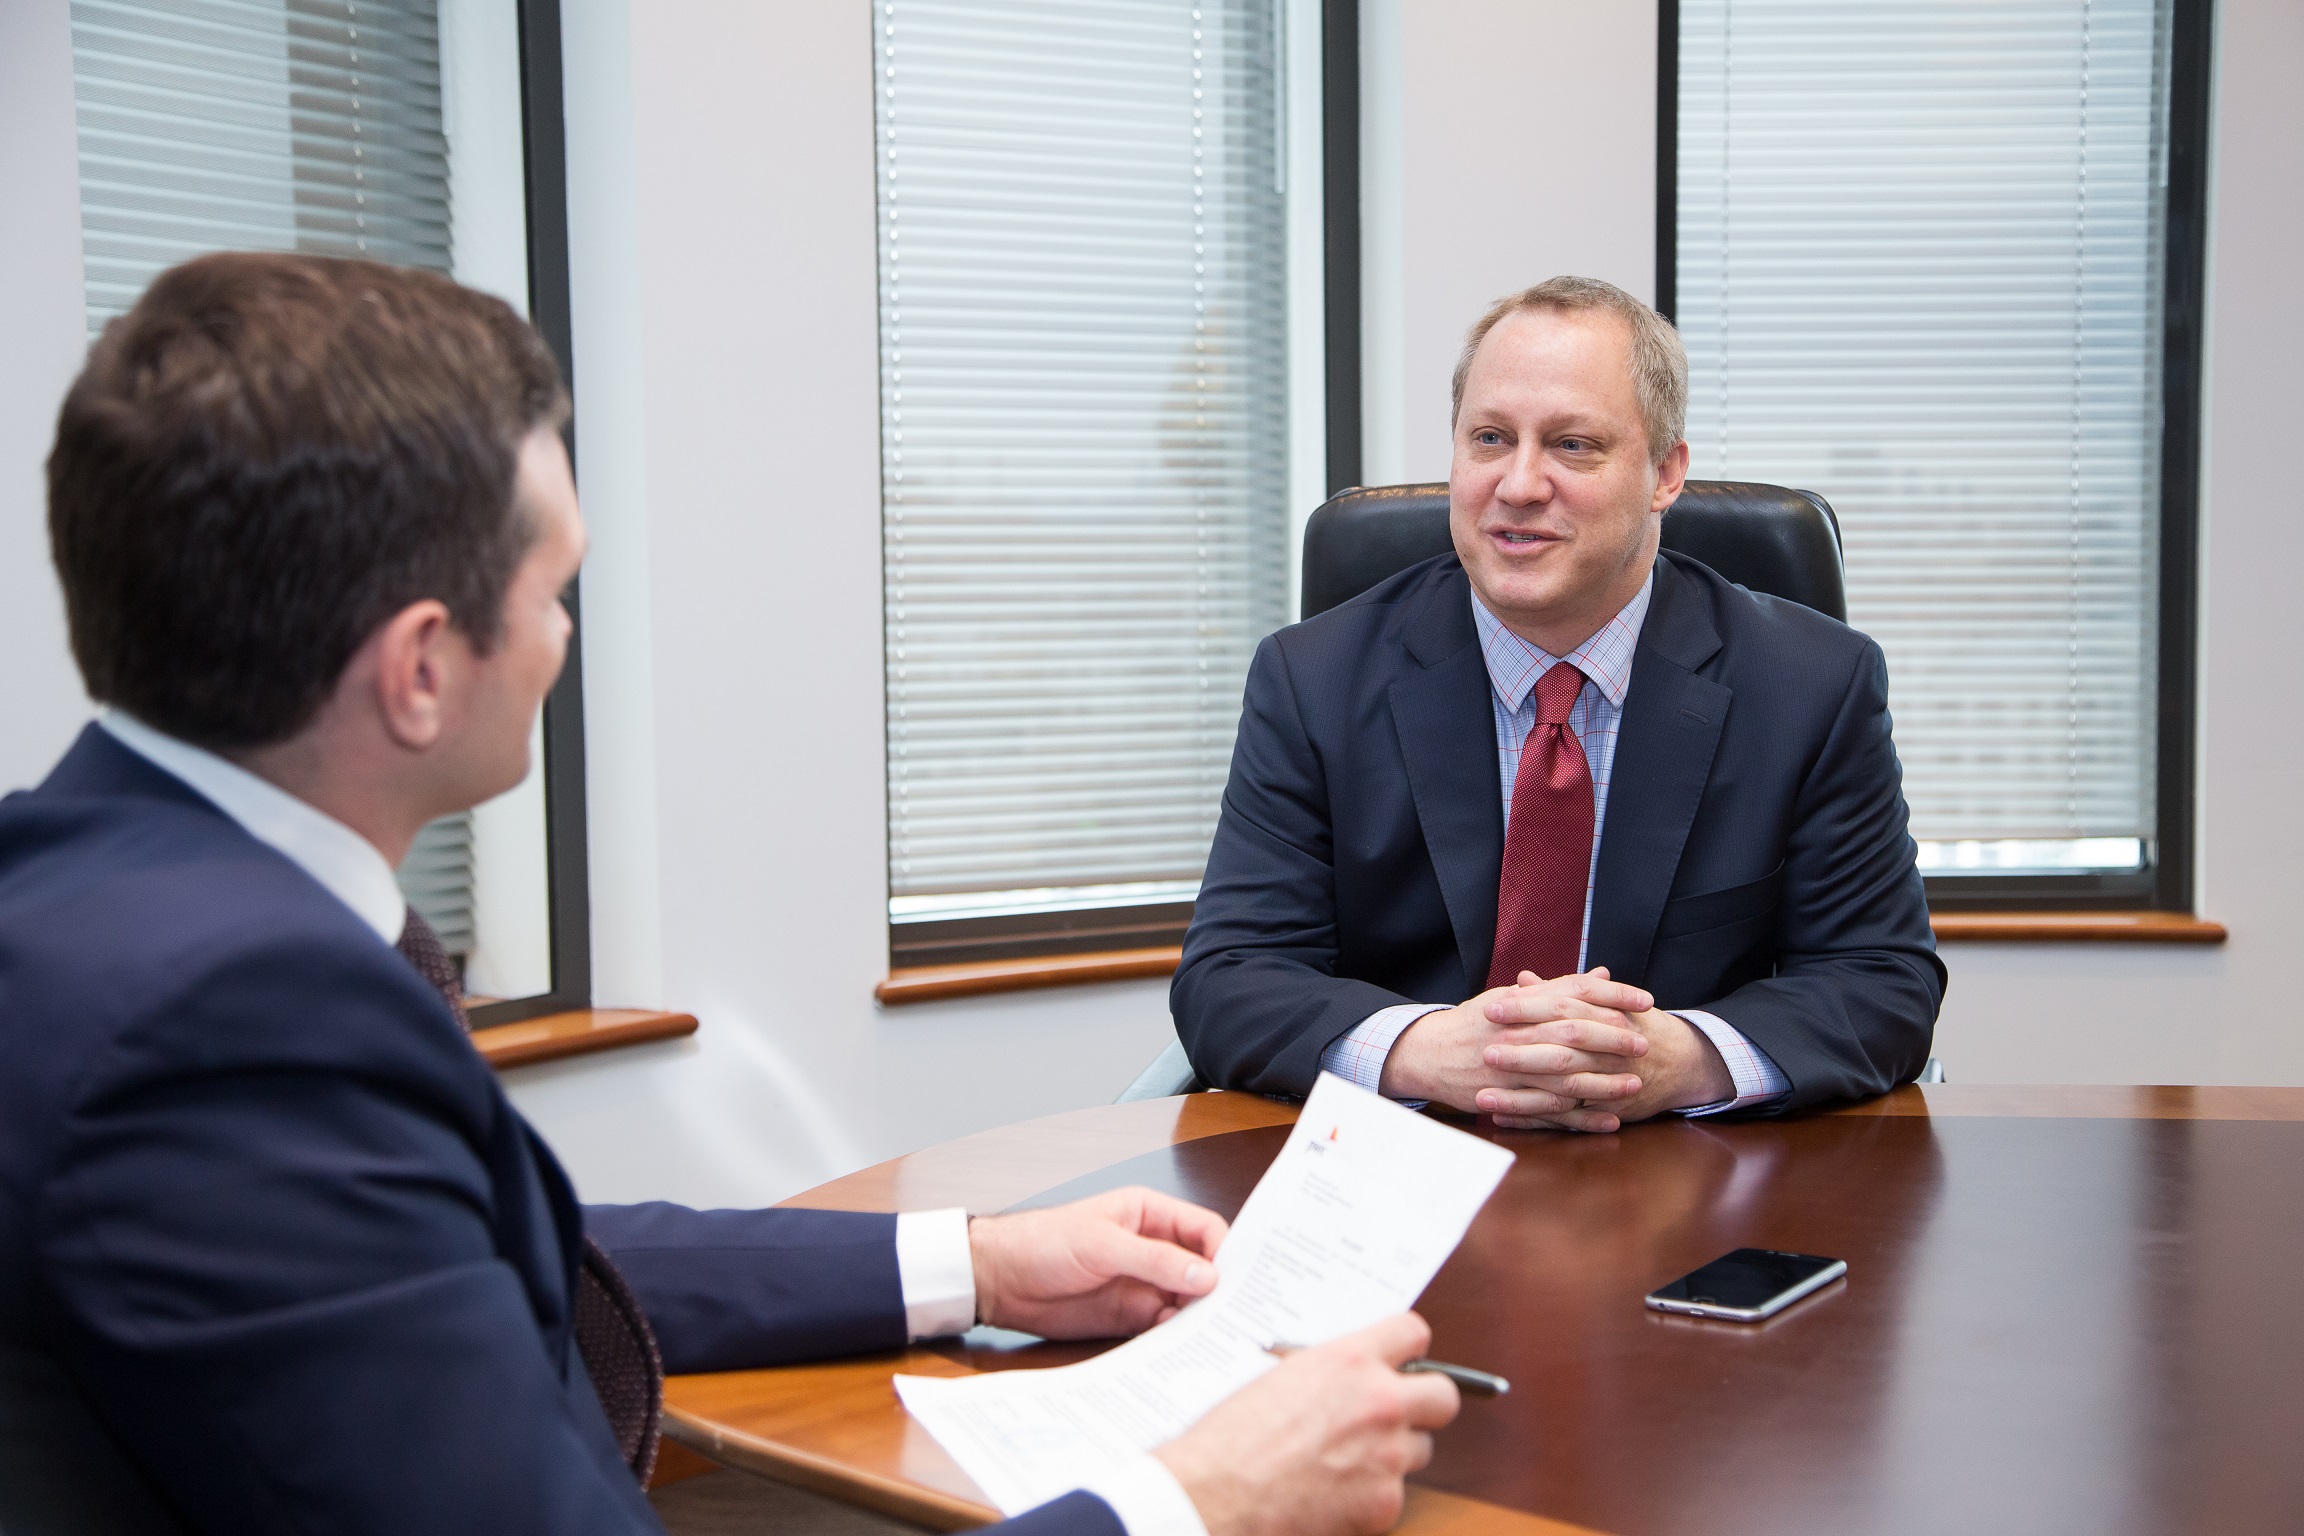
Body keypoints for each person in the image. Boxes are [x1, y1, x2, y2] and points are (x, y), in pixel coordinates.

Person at [0, 253, 1456, 1536]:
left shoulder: (91, 893)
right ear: (421, 667)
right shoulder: (226, 1027)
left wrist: (978, 1263)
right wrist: (1195, 1502)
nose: (566, 639)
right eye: (554, 590)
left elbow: (482, 1252)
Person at [1173, 276, 1943, 1130]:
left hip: (1685, 1164)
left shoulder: (1811, 685)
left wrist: (1678, 1058)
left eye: (1573, 445)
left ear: (1664, 474)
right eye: (1490, 438)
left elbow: (1882, 980)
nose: (1519, 484)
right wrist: (1428, 1050)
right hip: (1402, 1155)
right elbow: (1230, 978)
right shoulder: (1311, 678)